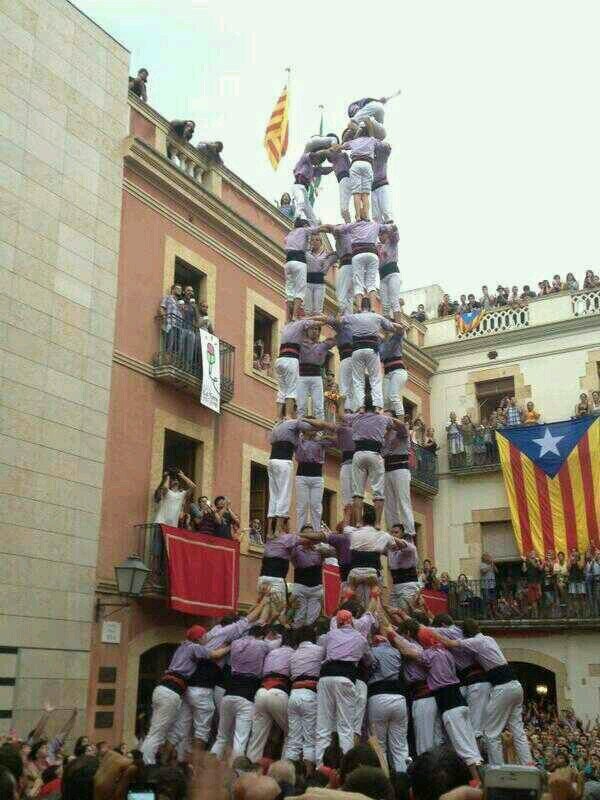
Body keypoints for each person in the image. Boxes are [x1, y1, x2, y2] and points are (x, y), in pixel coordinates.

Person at [435, 619, 533, 766]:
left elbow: (449, 643)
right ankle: (528, 765)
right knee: (517, 729)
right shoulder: (489, 639)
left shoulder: (475, 642)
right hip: (516, 686)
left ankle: (498, 768)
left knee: (491, 733)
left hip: (502, 687)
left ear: (466, 634)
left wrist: (430, 634)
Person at [141, 625, 230, 764]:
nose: (207, 638)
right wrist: (231, 647)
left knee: (171, 730)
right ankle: (147, 764)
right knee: (157, 734)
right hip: (171, 692)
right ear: (198, 638)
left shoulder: (182, 647)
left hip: (163, 688)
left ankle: (162, 762)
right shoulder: (194, 647)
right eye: (204, 636)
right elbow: (215, 655)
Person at [211, 627, 282, 759]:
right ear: (261, 636)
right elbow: (276, 643)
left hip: (228, 694)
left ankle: (208, 769)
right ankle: (236, 774)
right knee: (240, 740)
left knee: (221, 738)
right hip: (246, 697)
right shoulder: (262, 645)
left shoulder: (236, 643)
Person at [315, 609, 371, 764]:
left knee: (323, 726)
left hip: (326, 677)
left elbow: (324, 654)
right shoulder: (361, 638)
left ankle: (320, 767)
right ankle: (344, 768)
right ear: (352, 621)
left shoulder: (330, 635)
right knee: (345, 727)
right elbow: (369, 660)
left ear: (338, 623)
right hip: (346, 677)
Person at [266, 417, 331, 535]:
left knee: (274, 495)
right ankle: (278, 531)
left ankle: (270, 531)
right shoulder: (296, 424)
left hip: (272, 461)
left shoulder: (279, 425)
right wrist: (306, 419)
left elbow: (270, 440)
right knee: (285, 496)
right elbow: (319, 425)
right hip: (286, 463)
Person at [345, 299, 404, 413]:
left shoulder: (354, 317)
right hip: (372, 350)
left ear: (361, 307)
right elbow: (392, 327)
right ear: (370, 306)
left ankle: (360, 406)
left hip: (357, 350)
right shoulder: (377, 317)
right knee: (375, 379)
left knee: (358, 380)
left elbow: (340, 320)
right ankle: (377, 406)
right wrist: (397, 325)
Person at [245, 630, 295, 763]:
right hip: (278, 692)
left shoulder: (272, 652)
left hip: (261, 692)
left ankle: (247, 771)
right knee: (291, 733)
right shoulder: (294, 654)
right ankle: (283, 771)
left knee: (257, 738)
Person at [283, 626, 325, 774]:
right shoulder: (319, 650)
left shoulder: (293, 655)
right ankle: (309, 776)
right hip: (309, 695)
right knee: (309, 739)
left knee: (293, 739)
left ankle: (287, 775)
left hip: (293, 695)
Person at [366, 633, 409, 773]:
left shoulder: (371, 651)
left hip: (377, 697)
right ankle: (403, 782)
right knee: (400, 746)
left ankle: (384, 783)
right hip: (399, 698)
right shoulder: (396, 651)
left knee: (380, 746)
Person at [274, 316, 326, 418]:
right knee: (291, 391)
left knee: (281, 391)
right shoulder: (301, 323)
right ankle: (288, 415)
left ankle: (278, 417)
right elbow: (317, 323)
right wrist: (326, 320)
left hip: (279, 359)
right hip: (291, 359)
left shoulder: (287, 326)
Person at [295, 427, 335, 533]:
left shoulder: (321, 440)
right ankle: (300, 533)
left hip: (317, 475)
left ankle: (316, 532)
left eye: (315, 427)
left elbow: (335, 441)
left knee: (316, 506)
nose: (313, 429)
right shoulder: (299, 440)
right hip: (302, 475)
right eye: (310, 427)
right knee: (301, 506)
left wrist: (325, 435)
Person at [282, 220, 322, 321]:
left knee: (289, 292)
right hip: (299, 261)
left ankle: (288, 318)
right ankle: (295, 316)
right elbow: (316, 229)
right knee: (300, 291)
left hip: (288, 262)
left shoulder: (290, 234)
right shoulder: (304, 230)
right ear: (304, 225)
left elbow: (285, 241)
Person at [383, 418, 415, 536]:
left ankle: (409, 532)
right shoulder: (384, 436)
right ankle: (393, 532)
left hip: (400, 469)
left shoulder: (401, 432)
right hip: (387, 470)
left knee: (403, 501)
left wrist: (389, 418)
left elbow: (402, 426)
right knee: (389, 503)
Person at [297, 327, 337, 420]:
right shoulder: (301, 343)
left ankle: (320, 431)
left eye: (317, 329)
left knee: (319, 408)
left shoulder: (323, 345)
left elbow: (337, 339)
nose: (314, 331)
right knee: (301, 406)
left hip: (316, 377)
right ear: (307, 331)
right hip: (302, 376)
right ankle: (301, 430)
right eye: (312, 329)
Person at [290, 533, 327, 628]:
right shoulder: (296, 550)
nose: (310, 538)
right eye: (308, 535)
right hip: (301, 586)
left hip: (316, 588)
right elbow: (290, 546)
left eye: (312, 535)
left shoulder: (320, 550)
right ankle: (296, 638)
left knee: (312, 619)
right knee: (299, 617)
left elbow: (326, 541)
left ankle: (309, 638)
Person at [291, 151, 333, 225]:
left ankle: (315, 227)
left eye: (319, 162)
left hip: (305, 192)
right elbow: (312, 155)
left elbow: (324, 171)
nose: (317, 163)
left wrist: (334, 167)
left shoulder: (313, 170)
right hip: (297, 186)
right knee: (301, 201)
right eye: (317, 160)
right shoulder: (304, 160)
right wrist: (326, 151)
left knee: (311, 214)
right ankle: (296, 219)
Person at [387, 525, 420, 608]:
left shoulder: (410, 547)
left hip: (408, 585)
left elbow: (402, 544)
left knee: (406, 613)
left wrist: (388, 536)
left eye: (396, 532)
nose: (393, 535)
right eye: (392, 533)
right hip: (395, 586)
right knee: (394, 614)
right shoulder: (390, 549)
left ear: (402, 534)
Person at [305, 236, 338, 315]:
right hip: (307, 282)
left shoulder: (326, 254)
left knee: (318, 310)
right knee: (307, 309)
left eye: (317, 240)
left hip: (319, 283)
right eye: (312, 240)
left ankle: (315, 325)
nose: (314, 241)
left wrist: (332, 254)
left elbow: (338, 254)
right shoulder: (307, 253)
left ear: (321, 243)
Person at [377, 225, 402, 321]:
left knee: (394, 301)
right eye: (379, 235)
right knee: (385, 306)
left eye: (382, 234)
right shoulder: (378, 246)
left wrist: (387, 227)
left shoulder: (392, 242)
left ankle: (399, 326)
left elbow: (395, 230)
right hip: (382, 277)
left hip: (392, 273)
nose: (380, 236)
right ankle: (387, 330)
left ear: (386, 234)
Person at [372, 140, 393, 222]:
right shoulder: (370, 159)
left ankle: (391, 229)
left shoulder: (383, 156)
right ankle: (381, 232)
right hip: (373, 189)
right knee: (376, 216)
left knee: (386, 211)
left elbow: (387, 147)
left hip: (382, 185)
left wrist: (372, 139)